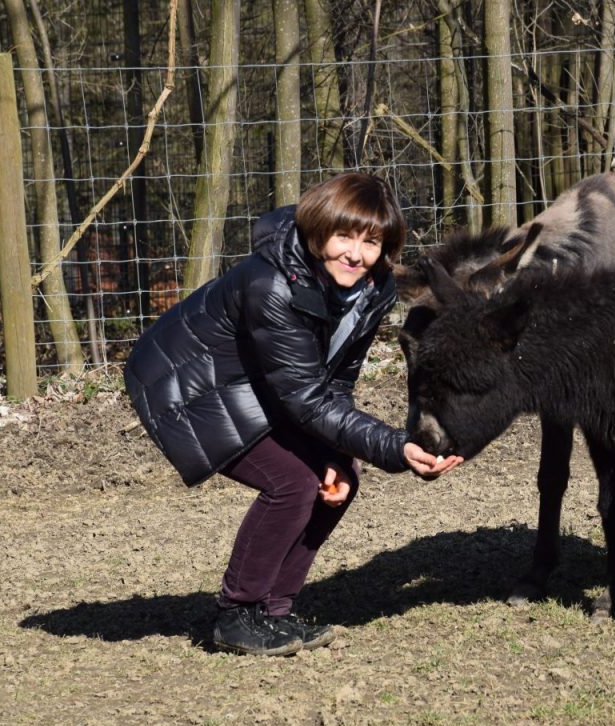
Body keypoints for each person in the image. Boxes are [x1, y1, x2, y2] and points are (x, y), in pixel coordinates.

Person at [124, 173, 462, 657]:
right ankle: (237, 615)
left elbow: (336, 381)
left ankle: (274, 613)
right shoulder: (272, 284)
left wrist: (334, 452)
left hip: (263, 383)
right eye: (344, 236)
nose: (355, 253)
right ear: (319, 229)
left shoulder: (374, 288)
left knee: (339, 478)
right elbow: (305, 399)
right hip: (188, 384)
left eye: (371, 242)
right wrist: (396, 447)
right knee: (292, 482)